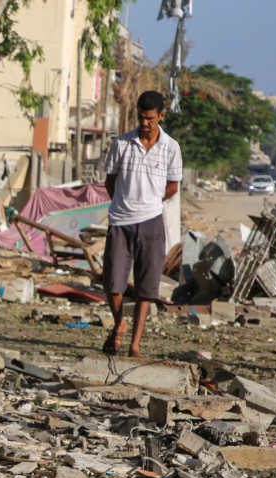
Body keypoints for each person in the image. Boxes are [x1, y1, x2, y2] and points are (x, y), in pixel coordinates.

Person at [100, 90, 182, 357]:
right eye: (141, 117)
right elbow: (110, 182)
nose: (145, 123)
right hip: (120, 223)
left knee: (146, 289)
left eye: (150, 118)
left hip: (152, 223)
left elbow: (173, 187)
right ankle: (119, 323)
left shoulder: (171, 147)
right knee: (113, 283)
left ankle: (134, 345)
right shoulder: (121, 144)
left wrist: (150, 200)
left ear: (161, 115)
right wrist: (123, 203)